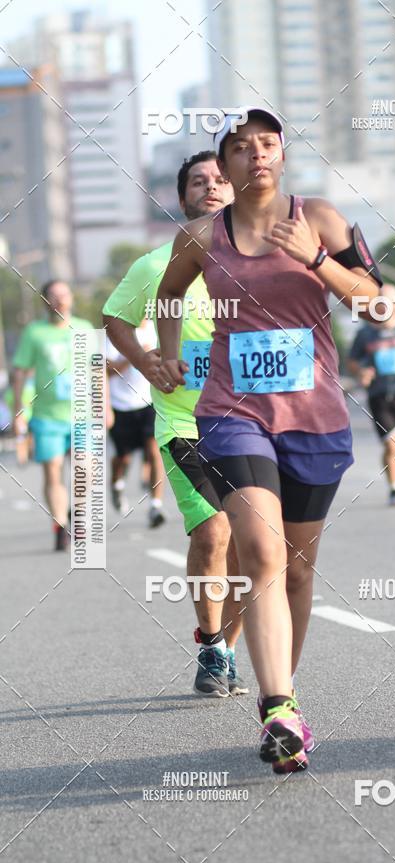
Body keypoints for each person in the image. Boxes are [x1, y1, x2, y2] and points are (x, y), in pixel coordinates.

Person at [155, 106, 382, 772]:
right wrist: (168, 355)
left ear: (281, 154)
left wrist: (314, 258)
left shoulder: (321, 219)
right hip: (233, 414)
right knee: (260, 551)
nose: (256, 153)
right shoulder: (201, 235)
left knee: (299, 570)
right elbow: (171, 294)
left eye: (267, 142)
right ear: (223, 163)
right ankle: (278, 706)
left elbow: (376, 300)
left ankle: (286, 694)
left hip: (315, 417)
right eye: (241, 146)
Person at [103, 151, 248, 696]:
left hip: (253, 425)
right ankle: (210, 644)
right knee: (213, 532)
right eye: (198, 181)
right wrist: (146, 363)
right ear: (184, 196)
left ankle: (226, 649)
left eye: (219, 180)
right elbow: (115, 319)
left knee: (250, 550)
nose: (210, 187)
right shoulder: (155, 264)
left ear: (236, 189)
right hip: (183, 422)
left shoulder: (260, 261)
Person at [11, 280, 94, 551]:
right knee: (53, 470)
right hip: (47, 415)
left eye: (64, 294)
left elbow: (97, 370)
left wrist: (104, 407)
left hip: (82, 414)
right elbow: (21, 371)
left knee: (86, 470)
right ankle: (60, 524)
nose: (59, 300)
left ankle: (77, 514)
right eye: (53, 296)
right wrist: (19, 410)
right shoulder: (35, 333)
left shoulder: (84, 328)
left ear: (71, 298)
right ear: (46, 301)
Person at [347, 283, 395, 507]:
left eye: (388, 301)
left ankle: (394, 467)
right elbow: (352, 361)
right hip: (379, 395)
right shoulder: (365, 333)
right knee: (391, 445)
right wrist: (362, 371)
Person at [106, 318, 166, 526]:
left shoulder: (155, 329)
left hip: (149, 401)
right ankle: (116, 484)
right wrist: (137, 356)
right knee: (124, 457)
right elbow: (106, 370)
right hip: (121, 405)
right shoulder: (116, 332)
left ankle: (155, 506)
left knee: (154, 451)